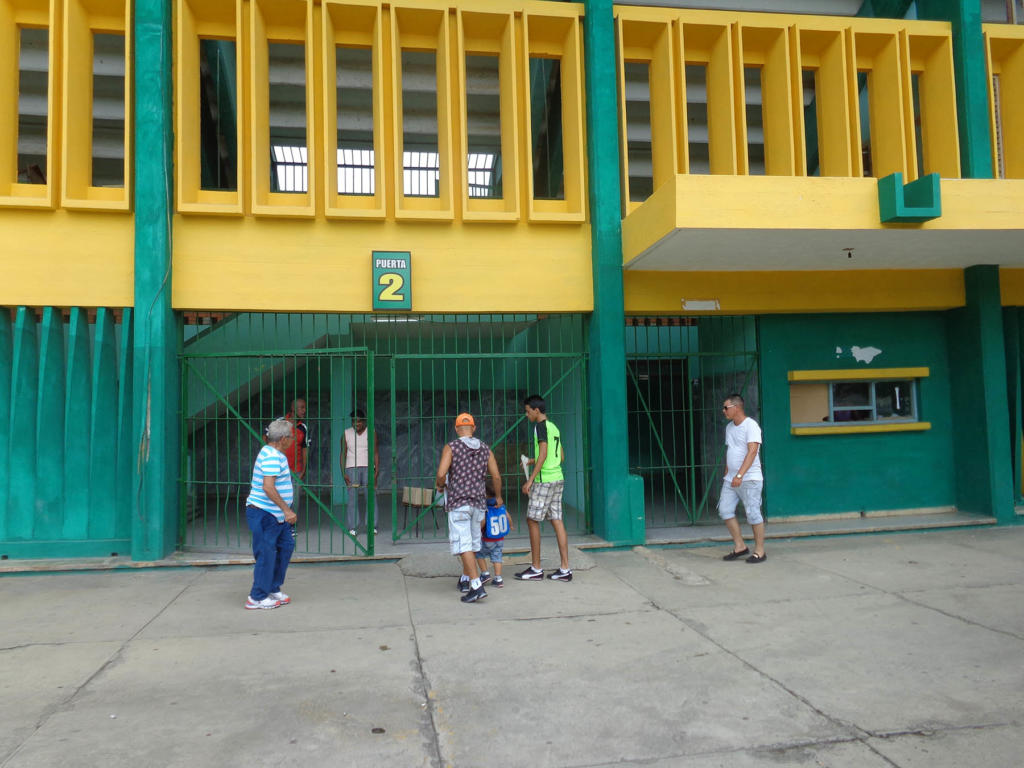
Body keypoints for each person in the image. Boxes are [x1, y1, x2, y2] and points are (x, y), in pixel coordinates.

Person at [435, 413, 503, 604]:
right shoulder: (485, 449)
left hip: (459, 503)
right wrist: (498, 497)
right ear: (474, 428)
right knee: (472, 544)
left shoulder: (451, 447)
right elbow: (496, 476)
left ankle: (475, 585)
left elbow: (441, 473)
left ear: (457, 429)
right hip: (478, 504)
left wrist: (440, 485)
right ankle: (467, 580)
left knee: (463, 544)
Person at [516, 394, 572, 582]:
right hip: (558, 478)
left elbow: (545, 452)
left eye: (527, 411)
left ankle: (536, 568)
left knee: (532, 519)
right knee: (557, 520)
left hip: (544, 480)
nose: (526, 415)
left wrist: (530, 480)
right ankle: (565, 569)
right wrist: (532, 460)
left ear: (536, 410)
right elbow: (561, 456)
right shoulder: (554, 427)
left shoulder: (539, 426)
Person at [245, 418, 298, 609]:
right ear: (283, 439)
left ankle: (272, 588)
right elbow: (268, 487)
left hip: (276, 515)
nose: (293, 440)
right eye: (292, 437)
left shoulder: (273, 453)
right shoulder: (272, 457)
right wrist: (286, 510)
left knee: (285, 547)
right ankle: (257, 597)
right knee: (267, 554)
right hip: (265, 514)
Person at [718, 393, 766, 564]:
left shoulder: (751, 426)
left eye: (726, 408)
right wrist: (728, 471)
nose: (723, 411)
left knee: (753, 514)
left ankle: (760, 551)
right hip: (731, 479)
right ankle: (740, 546)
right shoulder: (730, 427)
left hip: (749, 479)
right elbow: (730, 450)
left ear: (736, 407)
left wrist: (740, 474)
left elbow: (752, 451)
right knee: (725, 510)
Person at [342, 408, 379, 536]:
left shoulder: (371, 432)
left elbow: (375, 452)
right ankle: (353, 527)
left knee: (371, 496)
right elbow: (343, 454)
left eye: (358, 421)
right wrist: (343, 472)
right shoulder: (346, 433)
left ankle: (372, 525)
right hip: (351, 468)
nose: (355, 424)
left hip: (368, 467)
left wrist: (376, 471)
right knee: (352, 498)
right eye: (353, 421)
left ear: (364, 421)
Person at [473, 482, 513, 589]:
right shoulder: (501, 506)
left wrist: (477, 530)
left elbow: (483, 521)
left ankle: (485, 573)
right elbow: (508, 516)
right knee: (497, 557)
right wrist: (511, 525)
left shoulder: (486, 507)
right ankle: (498, 579)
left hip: (487, 538)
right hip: (499, 539)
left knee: (479, 554)